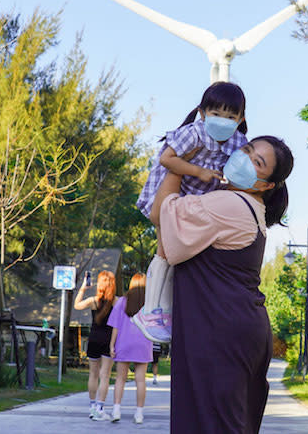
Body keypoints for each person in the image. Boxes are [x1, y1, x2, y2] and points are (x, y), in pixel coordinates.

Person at [151, 136, 293, 434]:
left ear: (267, 185)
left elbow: (161, 212)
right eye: (246, 150)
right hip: (239, 331)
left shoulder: (230, 204)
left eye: (257, 162)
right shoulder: (251, 208)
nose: (244, 159)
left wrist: (178, 165)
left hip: (220, 333)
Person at [134, 82, 248, 343]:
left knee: (177, 256)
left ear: (240, 119)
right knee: (164, 250)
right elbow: (167, 159)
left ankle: (164, 313)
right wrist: (198, 171)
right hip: (168, 194)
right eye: (216, 114)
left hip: (193, 202)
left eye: (231, 116)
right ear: (203, 112)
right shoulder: (193, 133)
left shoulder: (238, 142)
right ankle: (149, 310)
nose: (223, 121)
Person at [107, 273, 152, 424]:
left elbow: (115, 326)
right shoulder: (150, 303)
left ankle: (116, 410)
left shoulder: (122, 302)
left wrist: (112, 345)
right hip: (144, 343)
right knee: (141, 380)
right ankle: (139, 414)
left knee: (120, 378)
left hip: (124, 343)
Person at [73, 270, 116, 420]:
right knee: (105, 376)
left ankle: (92, 408)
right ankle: (100, 408)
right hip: (109, 340)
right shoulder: (117, 302)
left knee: (93, 374)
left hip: (93, 339)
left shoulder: (93, 301)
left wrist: (84, 287)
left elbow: (77, 305)